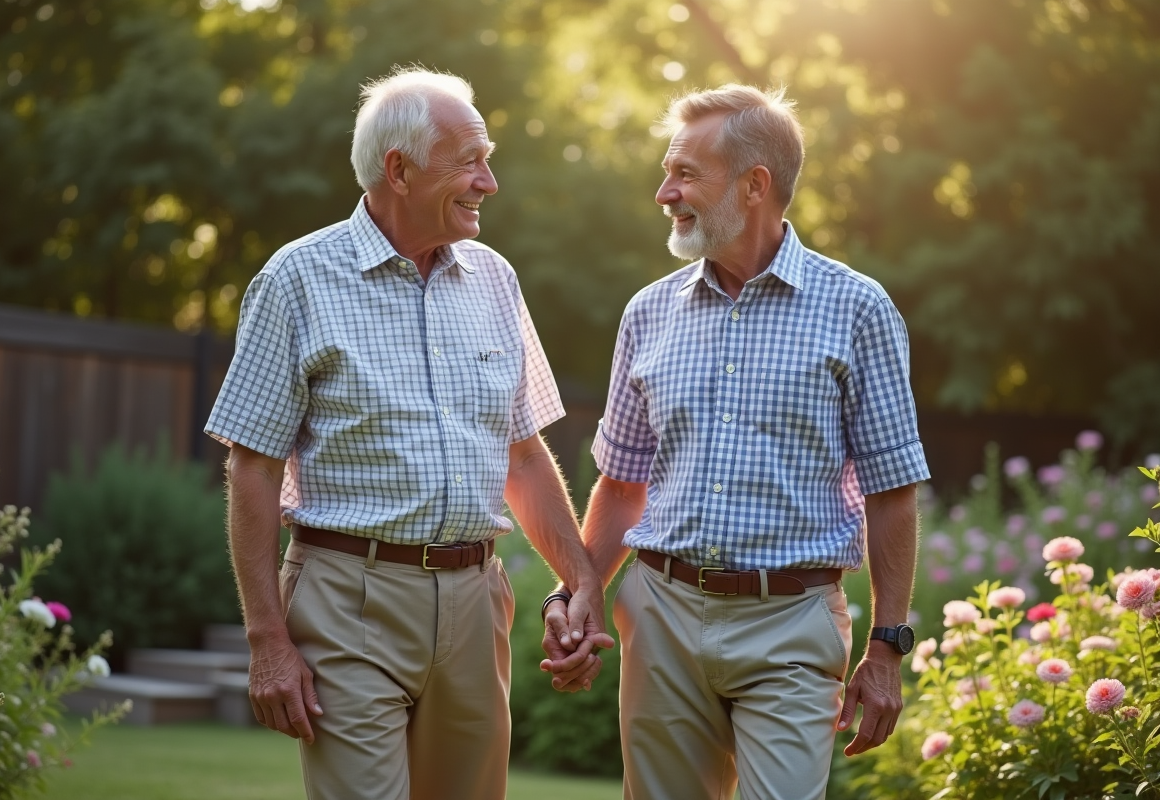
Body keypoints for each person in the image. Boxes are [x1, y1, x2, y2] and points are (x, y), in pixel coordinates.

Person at [205, 67, 610, 800]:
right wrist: (267, 640)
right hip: (347, 598)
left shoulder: (495, 278)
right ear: (399, 170)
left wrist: (581, 583)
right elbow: (252, 468)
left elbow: (523, 456)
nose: (488, 182)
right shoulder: (297, 278)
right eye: (469, 161)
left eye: (487, 160)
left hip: (475, 601)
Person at [543, 84, 930, 800]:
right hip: (661, 614)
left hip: (792, 621)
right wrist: (577, 595)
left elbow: (893, 492)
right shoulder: (648, 312)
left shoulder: (858, 308)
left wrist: (886, 646)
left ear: (755, 185)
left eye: (686, 173)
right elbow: (622, 485)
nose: (665, 192)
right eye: (667, 172)